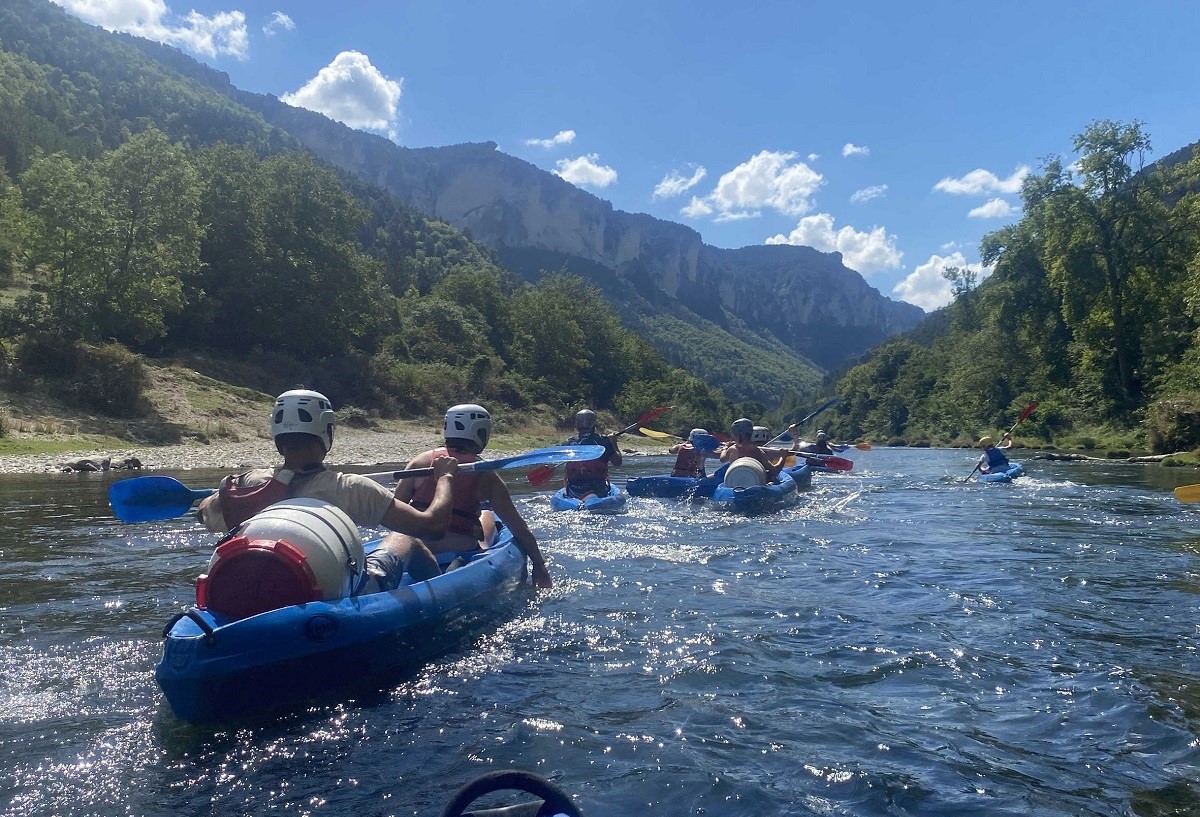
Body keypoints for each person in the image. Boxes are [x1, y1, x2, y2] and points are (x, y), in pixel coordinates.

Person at [196, 389, 457, 590]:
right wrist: (444, 477)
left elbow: (203, 513)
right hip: (331, 593)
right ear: (326, 431)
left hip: (258, 583)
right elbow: (433, 527)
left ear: (277, 436)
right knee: (408, 539)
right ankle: (445, 596)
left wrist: (213, 499)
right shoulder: (350, 489)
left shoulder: (246, 482)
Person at [393, 403, 553, 589]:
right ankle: (485, 512)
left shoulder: (420, 462)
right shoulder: (487, 476)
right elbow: (519, 528)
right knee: (486, 521)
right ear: (480, 433)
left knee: (483, 516)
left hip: (415, 547)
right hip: (460, 550)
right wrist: (539, 565)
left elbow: (394, 511)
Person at [562, 408, 623, 500]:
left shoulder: (568, 443)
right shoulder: (603, 442)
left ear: (577, 424)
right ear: (594, 423)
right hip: (599, 490)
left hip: (575, 491)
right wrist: (613, 442)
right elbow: (617, 463)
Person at [719, 418, 786, 481]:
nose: (732, 436)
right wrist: (783, 457)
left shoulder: (732, 449)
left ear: (740, 434)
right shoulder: (758, 451)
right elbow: (774, 471)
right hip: (755, 482)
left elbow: (722, 459)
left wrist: (725, 447)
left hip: (733, 482)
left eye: (733, 434)